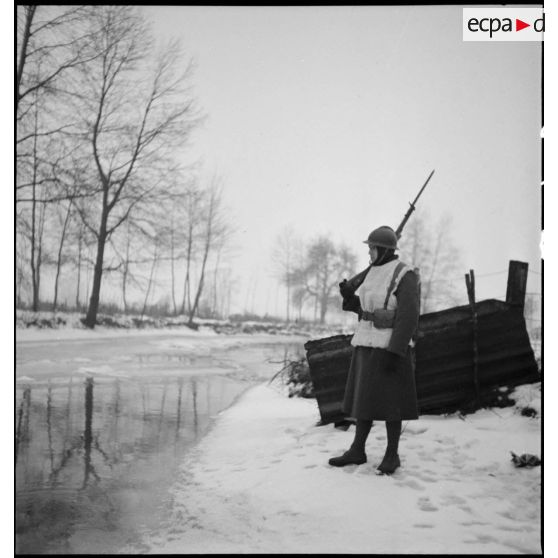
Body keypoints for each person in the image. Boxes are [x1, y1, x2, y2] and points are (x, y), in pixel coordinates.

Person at [328, 225, 420, 475]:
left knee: (393, 402)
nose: (369, 252)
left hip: (389, 346)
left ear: (383, 249)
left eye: (371, 248)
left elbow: (409, 318)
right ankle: (357, 450)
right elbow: (366, 311)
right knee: (364, 399)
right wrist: (350, 298)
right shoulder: (370, 273)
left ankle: (392, 455)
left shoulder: (405, 274)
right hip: (366, 342)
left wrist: (396, 350)